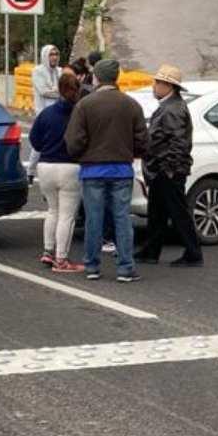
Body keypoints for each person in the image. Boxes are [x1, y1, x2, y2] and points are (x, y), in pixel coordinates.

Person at [65, 57, 146, 282]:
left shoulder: (85, 105)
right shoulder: (131, 105)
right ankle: (125, 267)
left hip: (92, 171)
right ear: (116, 77)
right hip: (121, 169)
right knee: (122, 218)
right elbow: (142, 142)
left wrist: (83, 156)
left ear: (97, 77)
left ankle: (92, 266)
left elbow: (73, 141)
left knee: (94, 219)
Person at [135, 63, 202, 267]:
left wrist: (169, 170)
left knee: (177, 213)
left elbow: (178, 143)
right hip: (164, 169)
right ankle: (151, 251)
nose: (154, 86)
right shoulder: (171, 106)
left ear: (168, 86)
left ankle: (193, 253)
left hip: (167, 170)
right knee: (158, 213)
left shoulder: (172, 109)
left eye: (157, 82)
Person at [30, 67, 83, 271]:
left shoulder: (46, 113)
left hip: (46, 166)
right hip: (70, 166)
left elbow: (34, 140)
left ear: (58, 90)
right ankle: (62, 259)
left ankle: (47, 251)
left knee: (52, 211)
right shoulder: (80, 113)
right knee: (67, 216)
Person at [32, 44, 63, 117]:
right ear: (45, 56)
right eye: (51, 55)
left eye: (56, 54)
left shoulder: (60, 71)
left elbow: (65, 89)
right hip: (43, 112)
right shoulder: (38, 71)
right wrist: (61, 93)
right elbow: (44, 92)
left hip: (59, 112)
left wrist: (58, 91)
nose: (54, 57)